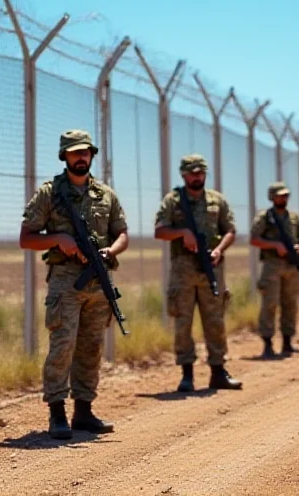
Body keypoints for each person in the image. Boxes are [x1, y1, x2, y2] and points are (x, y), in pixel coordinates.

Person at [20, 130, 129, 439]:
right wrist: (59, 239)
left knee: (91, 347)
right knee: (62, 346)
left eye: (85, 152)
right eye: (73, 153)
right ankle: (57, 413)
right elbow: (26, 238)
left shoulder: (105, 195)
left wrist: (112, 250)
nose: (80, 157)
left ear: (92, 155)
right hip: (65, 282)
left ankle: (84, 411)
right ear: (64, 156)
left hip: (99, 279)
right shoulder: (49, 193)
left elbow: (122, 233)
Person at [154, 154, 242, 392]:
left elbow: (231, 230)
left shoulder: (217, 200)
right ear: (183, 175)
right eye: (193, 173)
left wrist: (219, 250)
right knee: (183, 323)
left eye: (201, 172)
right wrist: (182, 233)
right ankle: (187, 375)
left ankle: (218, 372)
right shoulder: (173, 201)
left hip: (211, 269)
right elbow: (160, 231)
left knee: (215, 322)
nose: (197, 176)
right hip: (183, 271)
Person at [250, 182, 299, 358]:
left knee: (290, 304)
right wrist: (275, 245)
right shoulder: (265, 217)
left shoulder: (294, 217)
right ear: (272, 197)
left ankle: (287, 341)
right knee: (270, 304)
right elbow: (254, 239)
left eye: (285, 195)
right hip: (272, 266)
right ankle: (268, 344)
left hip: (292, 265)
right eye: (279, 195)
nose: (283, 198)